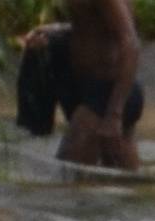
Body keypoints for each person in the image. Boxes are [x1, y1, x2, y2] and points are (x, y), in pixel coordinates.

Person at [17, 0, 141, 170]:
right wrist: (57, 30)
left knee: (67, 177)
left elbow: (131, 42)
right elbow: (93, 25)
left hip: (109, 93)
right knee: (124, 179)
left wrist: (114, 115)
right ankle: (35, 128)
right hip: (84, 83)